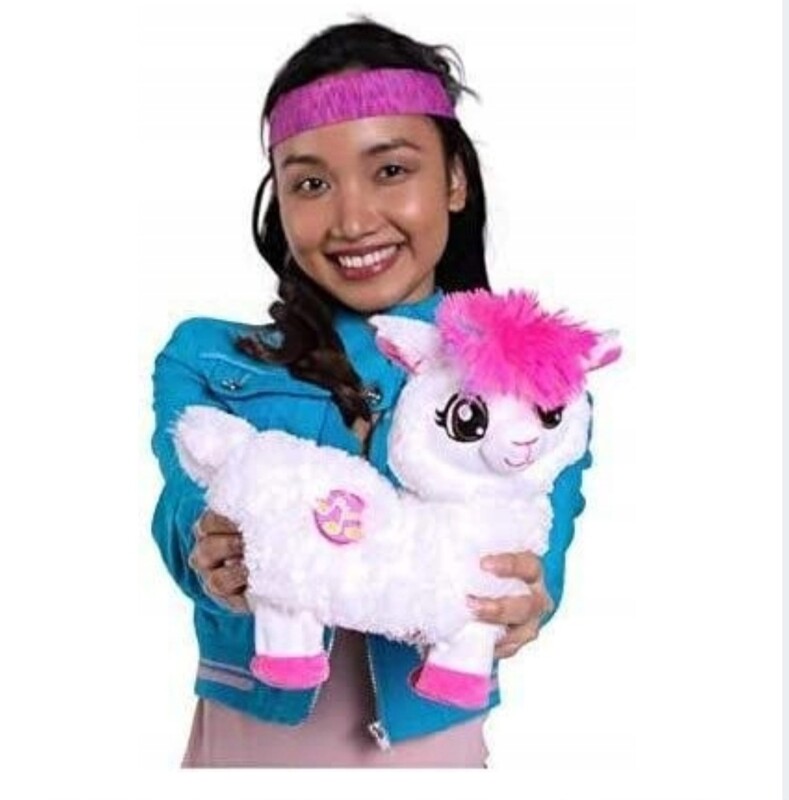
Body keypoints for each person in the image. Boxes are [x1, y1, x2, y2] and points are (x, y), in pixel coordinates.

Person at [150, 18, 592, 768]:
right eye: (311, 183)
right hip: (250, 747)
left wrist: (526, 600)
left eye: (390, 169)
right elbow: (179, 513)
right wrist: (209, 548)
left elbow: (539, 545)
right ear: (280, 201)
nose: (352, 221)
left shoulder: (526, 385)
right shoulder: (208, 360)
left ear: (454, 180)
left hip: (432, 746)